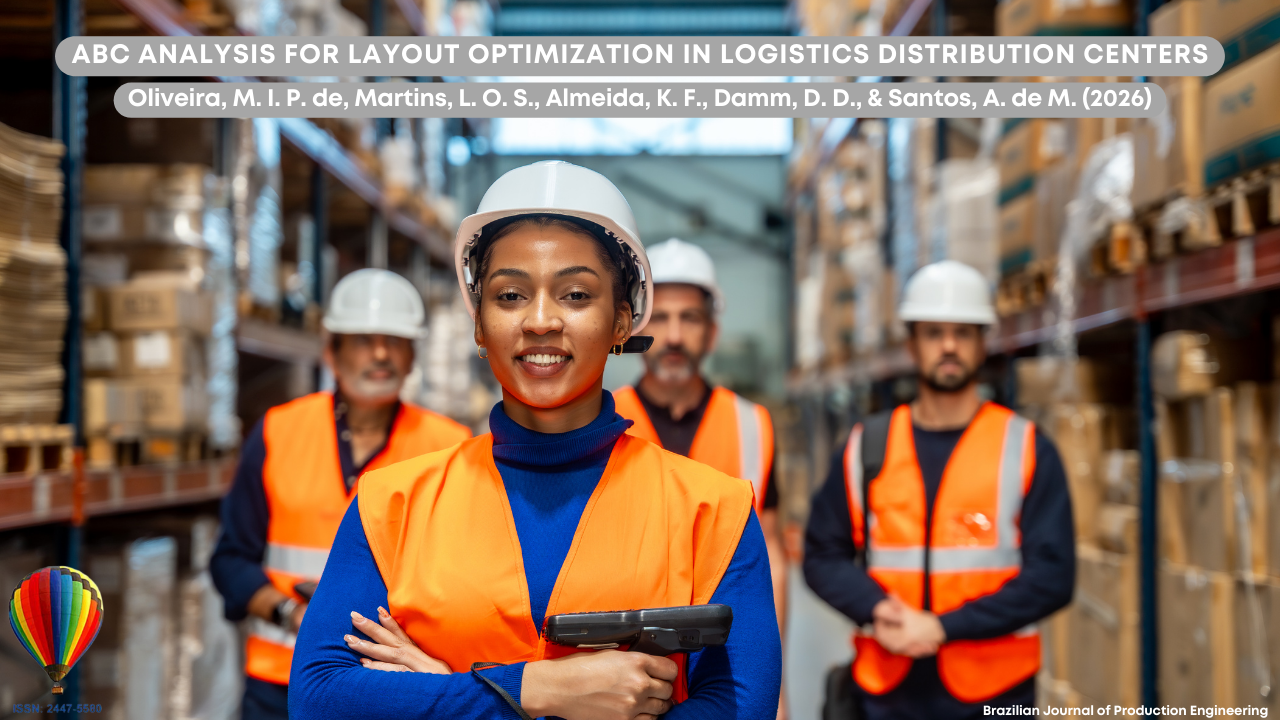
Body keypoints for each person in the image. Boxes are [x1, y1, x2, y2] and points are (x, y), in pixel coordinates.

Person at [287, 160, 782, 720]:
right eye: (509, 295)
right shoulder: (392, 505)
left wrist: (445, 689)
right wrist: (536, 690)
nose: (541, 320)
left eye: (575, 295)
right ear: (478, 324)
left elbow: (742, 706)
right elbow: (321, 698)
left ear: (622, 321)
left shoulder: (712, 511)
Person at [803, 260, 1075, 719]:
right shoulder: (866, 446)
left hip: (996, 692)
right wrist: (877, 608)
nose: (948, 346)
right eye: (933, 333)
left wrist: (943, 627)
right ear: (912, 343)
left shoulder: (1026, 448)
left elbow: (1052, 577)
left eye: (963, 332)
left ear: (982, 342)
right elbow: (820, 554)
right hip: (886, 689)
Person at [210, 268, 473, 720]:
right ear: (332, 351)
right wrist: (290, 612)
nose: (380, 353)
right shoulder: (279, 431)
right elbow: (232, 561)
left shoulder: (451, 447)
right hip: (282, 683)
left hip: (398, 689)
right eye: (362, 340)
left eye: (395, 341)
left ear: (413, 357)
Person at [611, 237, 790, 718]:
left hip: (727, 672)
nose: (673, 336)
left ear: (711, 332)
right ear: (633, 328)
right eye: (660, 318)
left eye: (689, 318)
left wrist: (777, 675)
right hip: (617, 675)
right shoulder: (601, 422)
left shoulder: (753, 425)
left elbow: (771, 555)